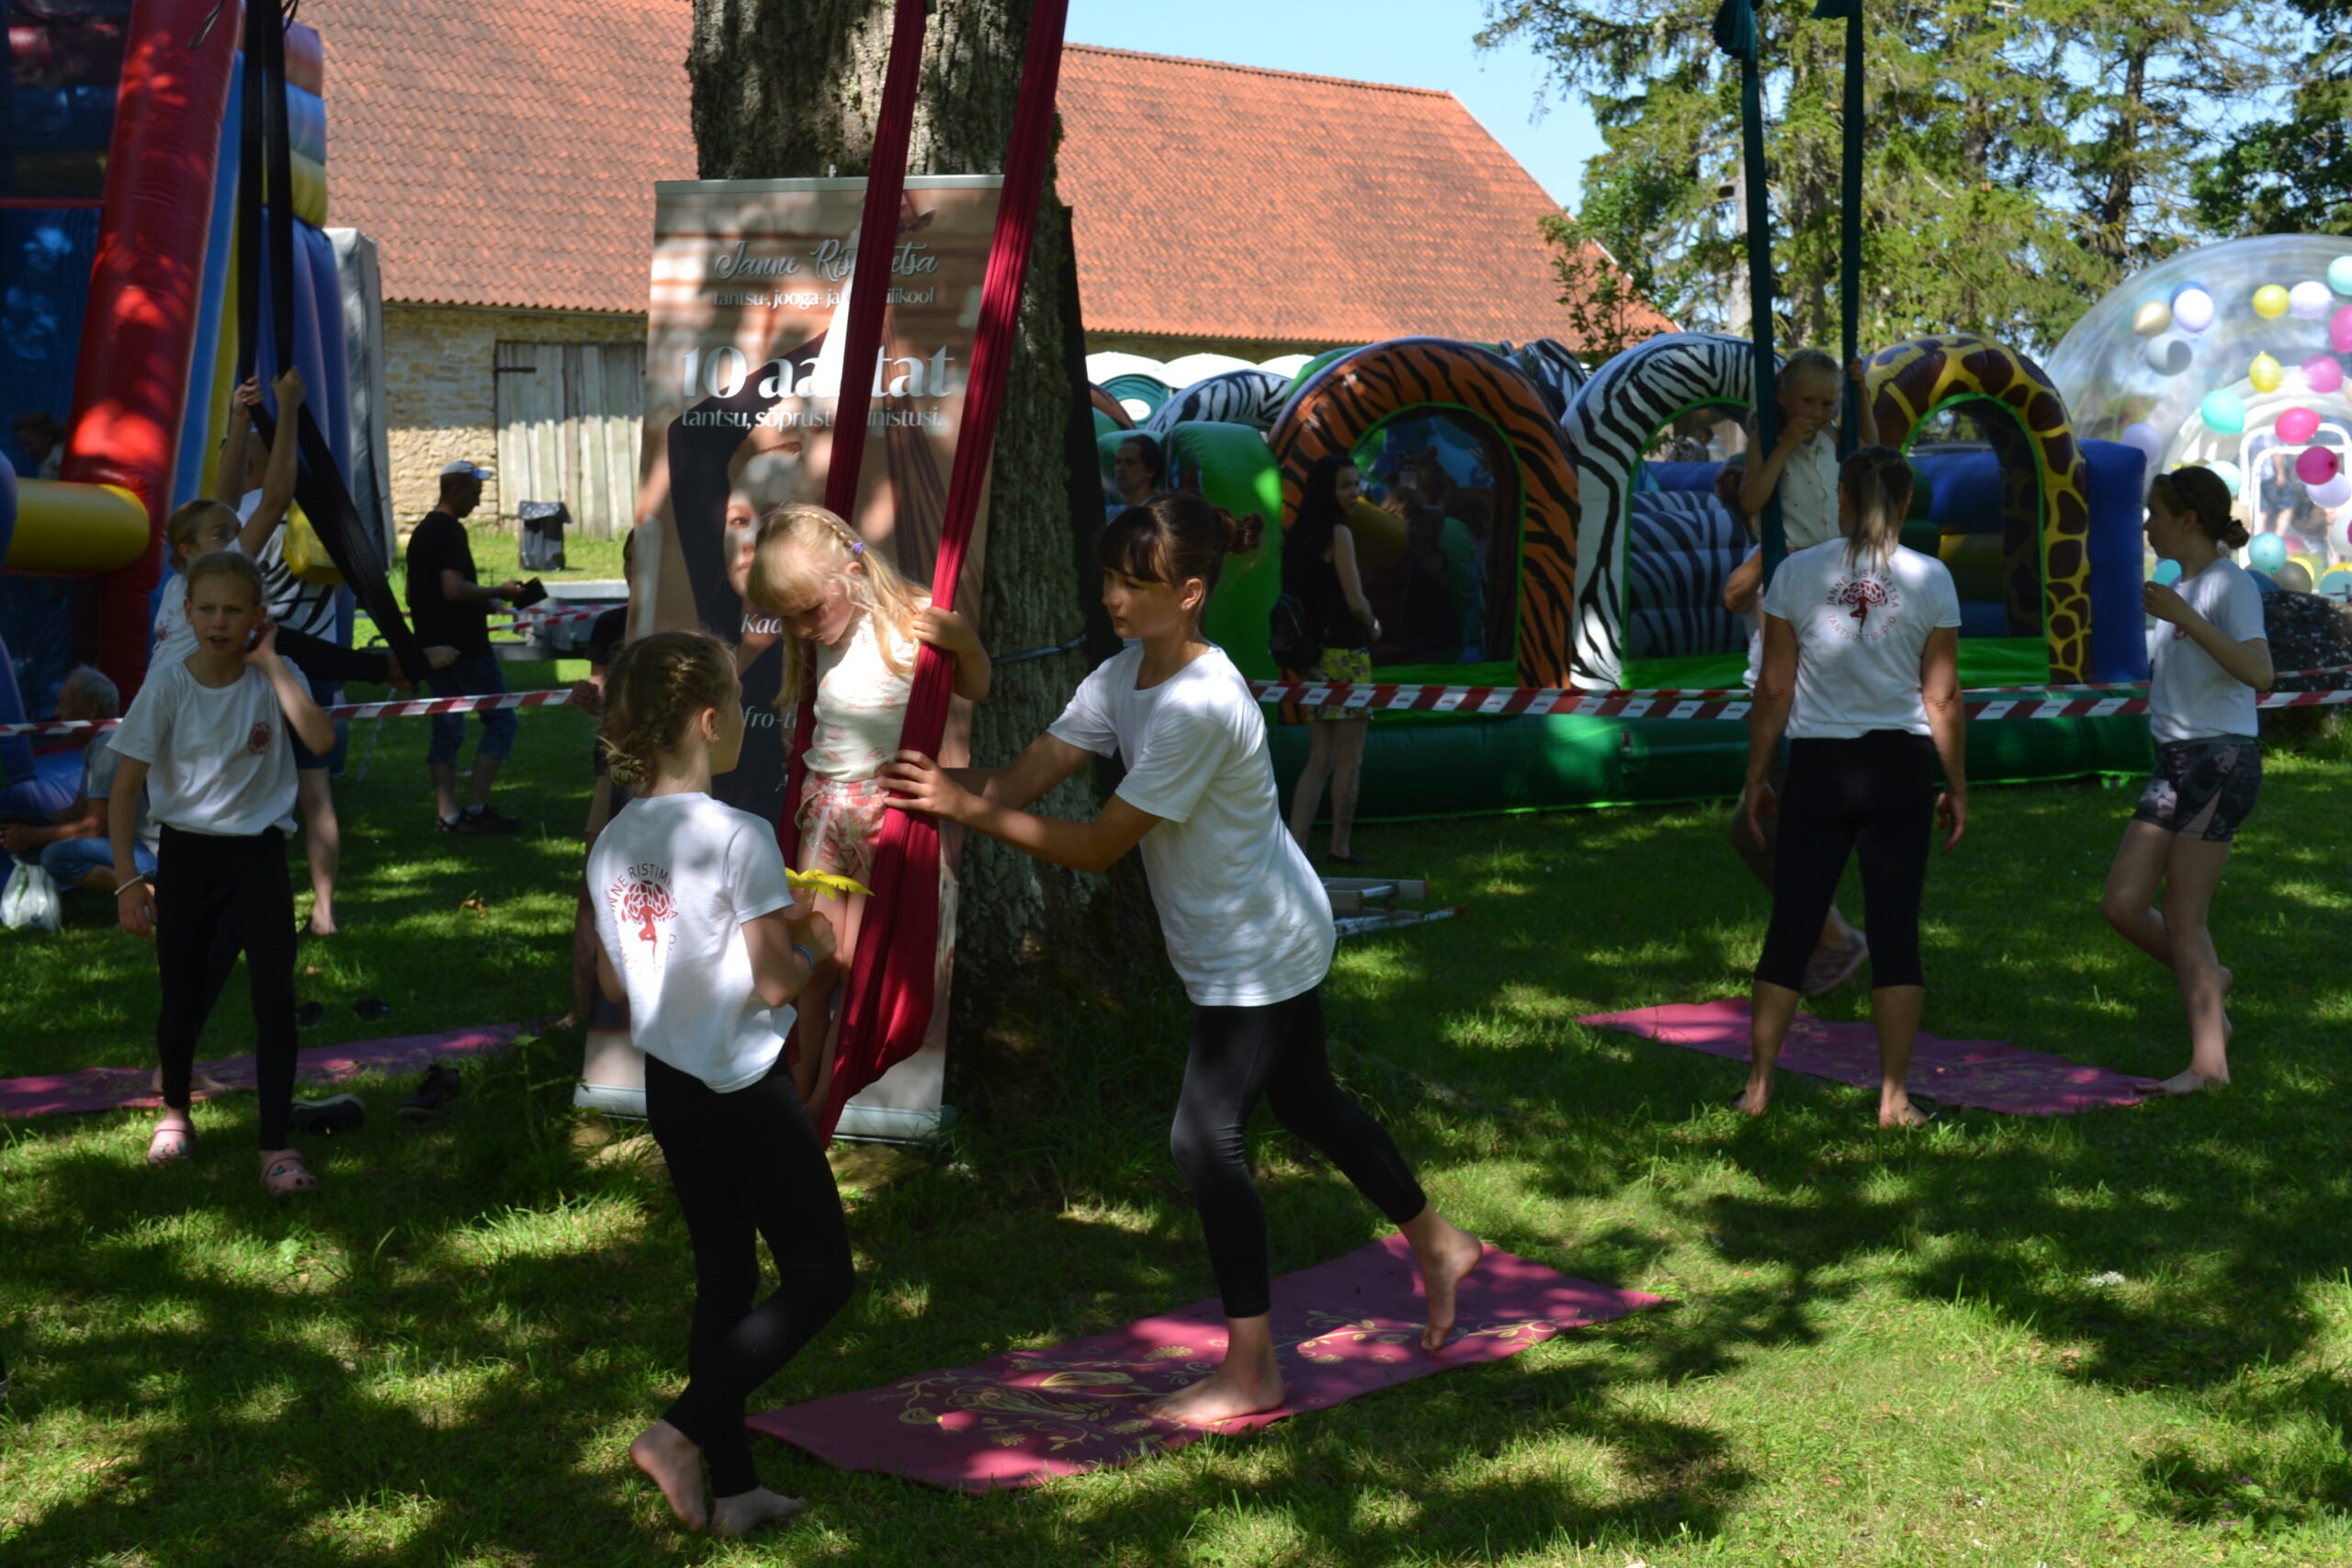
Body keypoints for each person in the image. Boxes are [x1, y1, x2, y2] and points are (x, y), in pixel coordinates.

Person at [881, 491, 1483, 1424]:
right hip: (1245, 931)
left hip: (1260, 945)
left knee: (1204, 1140)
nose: (1113, 598)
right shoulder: (1121, 675)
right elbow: (1015, 783)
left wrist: (965, 810)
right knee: (1306, 1101)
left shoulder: (1200, 705)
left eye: (1136, 583)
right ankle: (1439, 1242)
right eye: (1109, 578)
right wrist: (921, 789)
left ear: (1191, 593)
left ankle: (1253, 1371)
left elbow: (1096, 847)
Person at [586, 629, 850, 1537]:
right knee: (822, 1276)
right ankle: (678, 1433)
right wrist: (816, 942)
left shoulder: (613, 841)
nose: (744, 718)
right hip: (742, 1083)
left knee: (726, 1282)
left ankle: (734, 1491)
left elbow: (618, 978)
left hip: (671, 1087)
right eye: (737, 705)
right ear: (708, 720)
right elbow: (776, 982)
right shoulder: (740, 835)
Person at [1737, 446, 1968, 1128]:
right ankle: (1894, 1099)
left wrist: (1755, 776)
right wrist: (1957, 784)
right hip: (1900, 768)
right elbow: (1942, 696)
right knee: (1896, 933)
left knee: (1792, 925)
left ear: (1840, 496)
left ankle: (1757, 1089)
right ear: (1905, 503)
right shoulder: (1932, 576)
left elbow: (1774, 688)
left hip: (1819, 767)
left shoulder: (1794, 572)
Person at [744, 503, 989, 1114]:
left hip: (887, 817)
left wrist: (962, 641)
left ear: (850, 575)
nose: (802, 629)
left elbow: (976, 686)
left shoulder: (915, 620)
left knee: (860, 967)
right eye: (787, 619)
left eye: (808, 611)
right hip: (826, 811)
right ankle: (797, 1095)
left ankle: (825, 1099)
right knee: (816, 961)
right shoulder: (821, 631)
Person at [107, 550, 336, 1193]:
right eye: (206, 608)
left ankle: (275, 1145)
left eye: (233, 610)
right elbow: (124, 790)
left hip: (258, 859)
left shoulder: (278, 674)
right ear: (186, 612)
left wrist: (272, 665)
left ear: (257, 616)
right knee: (182, 997)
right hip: (187, 857)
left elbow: (321, 740)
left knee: (274, 998)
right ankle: (175, 1112)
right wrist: (127, 879)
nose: (218, 621)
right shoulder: (168, 685)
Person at [2100, 466, 2272, 1095]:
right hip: (2175, 762)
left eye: (2156, 515)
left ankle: (2209, 1068)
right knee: (2122, 903)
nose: (2148, 525)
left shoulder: (2229, 584)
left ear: (2189, 520)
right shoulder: (2180, 587)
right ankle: (2208, 978)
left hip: (2219, 759)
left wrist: (2186, 618)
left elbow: (2260, 672)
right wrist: (2176, 609)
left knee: (2183, 914)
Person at [1720, 351, 1881, 992]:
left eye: (1826, 404)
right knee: (1760, 827)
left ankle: (1831, 937)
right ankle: (1830, 935)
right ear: (1784, 397)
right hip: (1792, 587)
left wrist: (1860, 395)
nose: (1816, 414)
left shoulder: (1838, 441)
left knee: (1767, 824)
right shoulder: (1772, 439)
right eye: (1806, 402)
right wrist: (1785, 441)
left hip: (1822, 600)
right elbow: (1752, 499)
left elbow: (1876, 460)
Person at [214, 370, 352, 935]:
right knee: (317, 795)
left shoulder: (245, 515)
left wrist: (246, 418)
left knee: (236, 792)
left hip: (254, 671)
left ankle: (235, 903)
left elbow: (227, 508)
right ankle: (324, 910)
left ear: (250, 466)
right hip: (312, 669)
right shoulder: (320, 515)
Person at [405, 459, 525, 833]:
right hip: (466, 649)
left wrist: (483, 603)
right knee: (501, 720)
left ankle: (448, 816)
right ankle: (475, 808)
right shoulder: (450, 531)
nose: (478, 501)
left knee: (448, 726)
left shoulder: (422, 531)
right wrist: (500, 590)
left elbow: (415, 593)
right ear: (454, 488)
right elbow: (453, 589)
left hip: (433, 648)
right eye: (474, 493)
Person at [1282, 455, 1380, 866]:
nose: (1355, 492)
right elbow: (1355, 601)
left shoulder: (1296, 536)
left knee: (1319, 759)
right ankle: (1340, 846)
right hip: (1348, 654)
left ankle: (1295, 846)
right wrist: (1373, 624)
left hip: (1313, 658)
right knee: (1349, 759)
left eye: (1357, 484)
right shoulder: (1339, 534)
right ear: (1328, 491)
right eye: (1346, 485)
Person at [1, 667, 155, 897]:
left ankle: (149, 894)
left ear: (91, 708)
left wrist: (31, 836)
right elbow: (78, 809)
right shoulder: (101, 743)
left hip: (150, 853)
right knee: (44, 841)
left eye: (63, 703)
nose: (56, 712)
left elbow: (94, 827)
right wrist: (30, 823)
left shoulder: (108, 747)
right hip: (139, 846)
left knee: (57, 856)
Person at [1110, 434, 1166, 513]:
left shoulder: (1162, 513)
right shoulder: (1112, 513)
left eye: (1130, 463)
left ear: (1151, 470)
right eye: (1118, 462)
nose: (1120, 468)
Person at [13, 410, 63, 479]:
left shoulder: (58, 454)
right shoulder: (47, 459)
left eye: (29, 444)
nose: (27, 450)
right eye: (24, 446)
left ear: (47, 437)